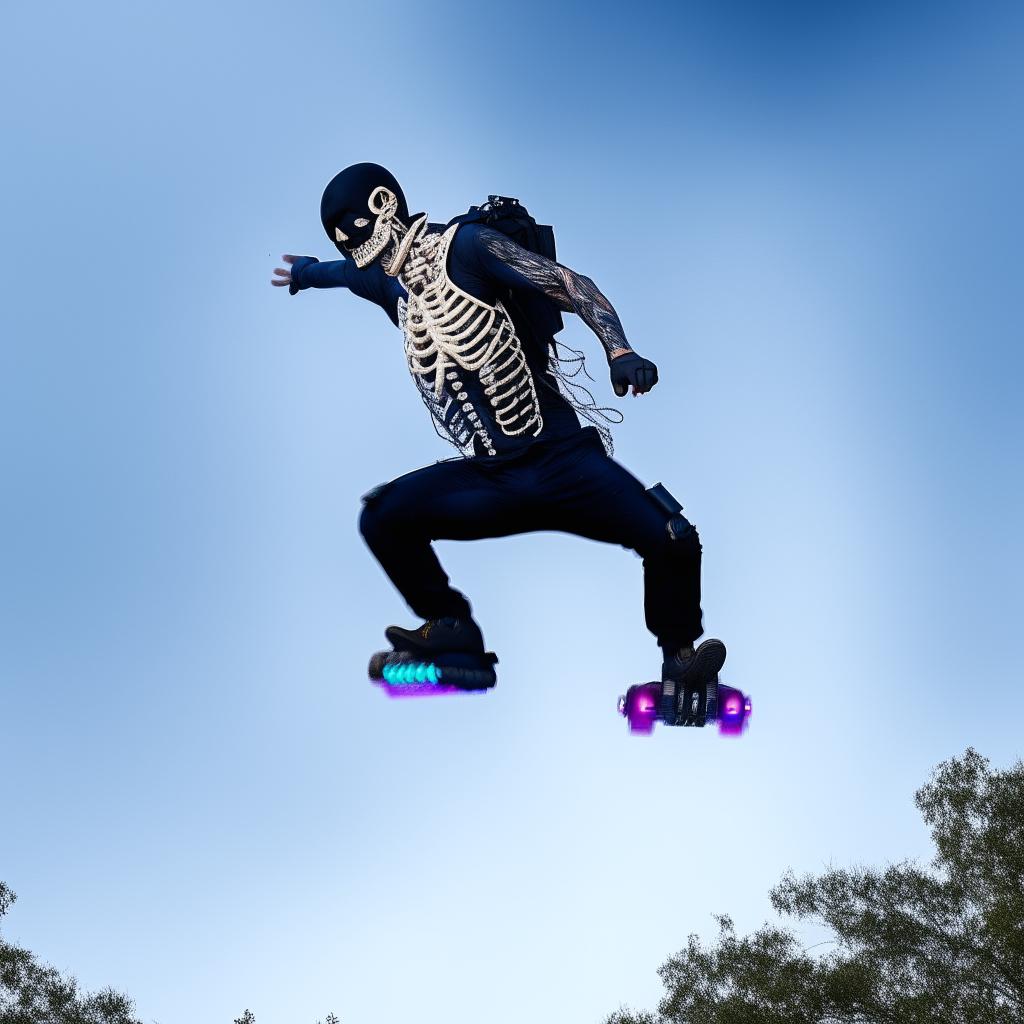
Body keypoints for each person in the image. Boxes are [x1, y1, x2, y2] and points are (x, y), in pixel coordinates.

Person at [272, 162, 725, 719]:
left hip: (561, 461)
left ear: (386, 205)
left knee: (672, 537)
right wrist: (305, 273)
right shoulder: (386, 281)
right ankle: (453, 631)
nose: (361, 253)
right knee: (382, 516)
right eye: (348, 244)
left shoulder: (467, 247)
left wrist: (619, 349)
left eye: (358, 232)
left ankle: (680, 661)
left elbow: (570, 284)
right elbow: (340, 272)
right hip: (490, 477)